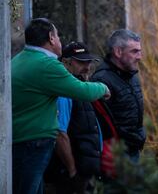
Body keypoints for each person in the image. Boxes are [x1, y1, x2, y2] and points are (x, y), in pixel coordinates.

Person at [12, 18, 110, 194]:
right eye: (58, 36)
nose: (59, 40)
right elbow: (82, 91)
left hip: (21, 139)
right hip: (34, 142)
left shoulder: (18, 59)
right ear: (51, 37)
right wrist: (103, 88)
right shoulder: (47, 64)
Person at [45, 41, 104, 193]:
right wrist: (72, 171)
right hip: (68, 175)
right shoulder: (64, 91)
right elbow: (60, 134)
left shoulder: (82, 87)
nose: (88, 66)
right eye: (82, 62)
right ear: (66, 62)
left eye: (89, 61)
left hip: (84, 170)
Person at [91, 29, 146, 159]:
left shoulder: (131, 76)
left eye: (140, 51)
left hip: (133, 149)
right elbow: (100, 125)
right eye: (134, 51)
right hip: (116, 155)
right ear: (118, 52)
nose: (140, 57)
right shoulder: (102, 81)